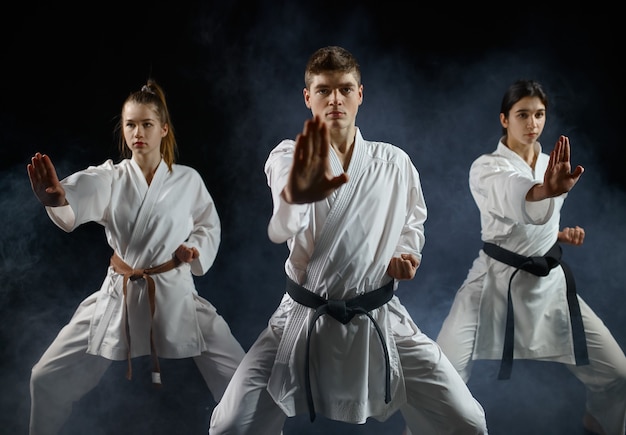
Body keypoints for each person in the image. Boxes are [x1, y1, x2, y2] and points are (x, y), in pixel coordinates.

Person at [209, 45, 487, 435]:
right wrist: (302, 189)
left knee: (468, 421)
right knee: (230, 426)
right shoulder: (289, 155)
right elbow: (286, 191)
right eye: (323, 90)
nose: (335, 99)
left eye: (344, 88)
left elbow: (412, 225)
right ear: (308, 97)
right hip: (302, 317)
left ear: (360, 94)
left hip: (378, 316)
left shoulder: (395, 163)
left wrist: (405, 255)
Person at [27, 79, 246, 435]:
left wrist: (195, 249)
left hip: (174, 293)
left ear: (163, 129)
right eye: (130, 124)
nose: (137, 132)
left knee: (244, 381)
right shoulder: (111, 177)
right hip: (120, 296)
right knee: (45, 378)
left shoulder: (187, 180)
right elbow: (81, 191)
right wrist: (58, 199)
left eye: (146, 124)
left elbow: (208, 225)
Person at [435, 79, 626, 435]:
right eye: (523, 114)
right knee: (441, 375)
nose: (533, 123)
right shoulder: (487, 167)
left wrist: (556, 234)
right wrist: (544, 191)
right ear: (504, 119)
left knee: (618, 374)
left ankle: (601, 421)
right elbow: (513, 198)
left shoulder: (551, 164)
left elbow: (534, 223)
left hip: (548, 285)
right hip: (493, 283)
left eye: (539, 114)